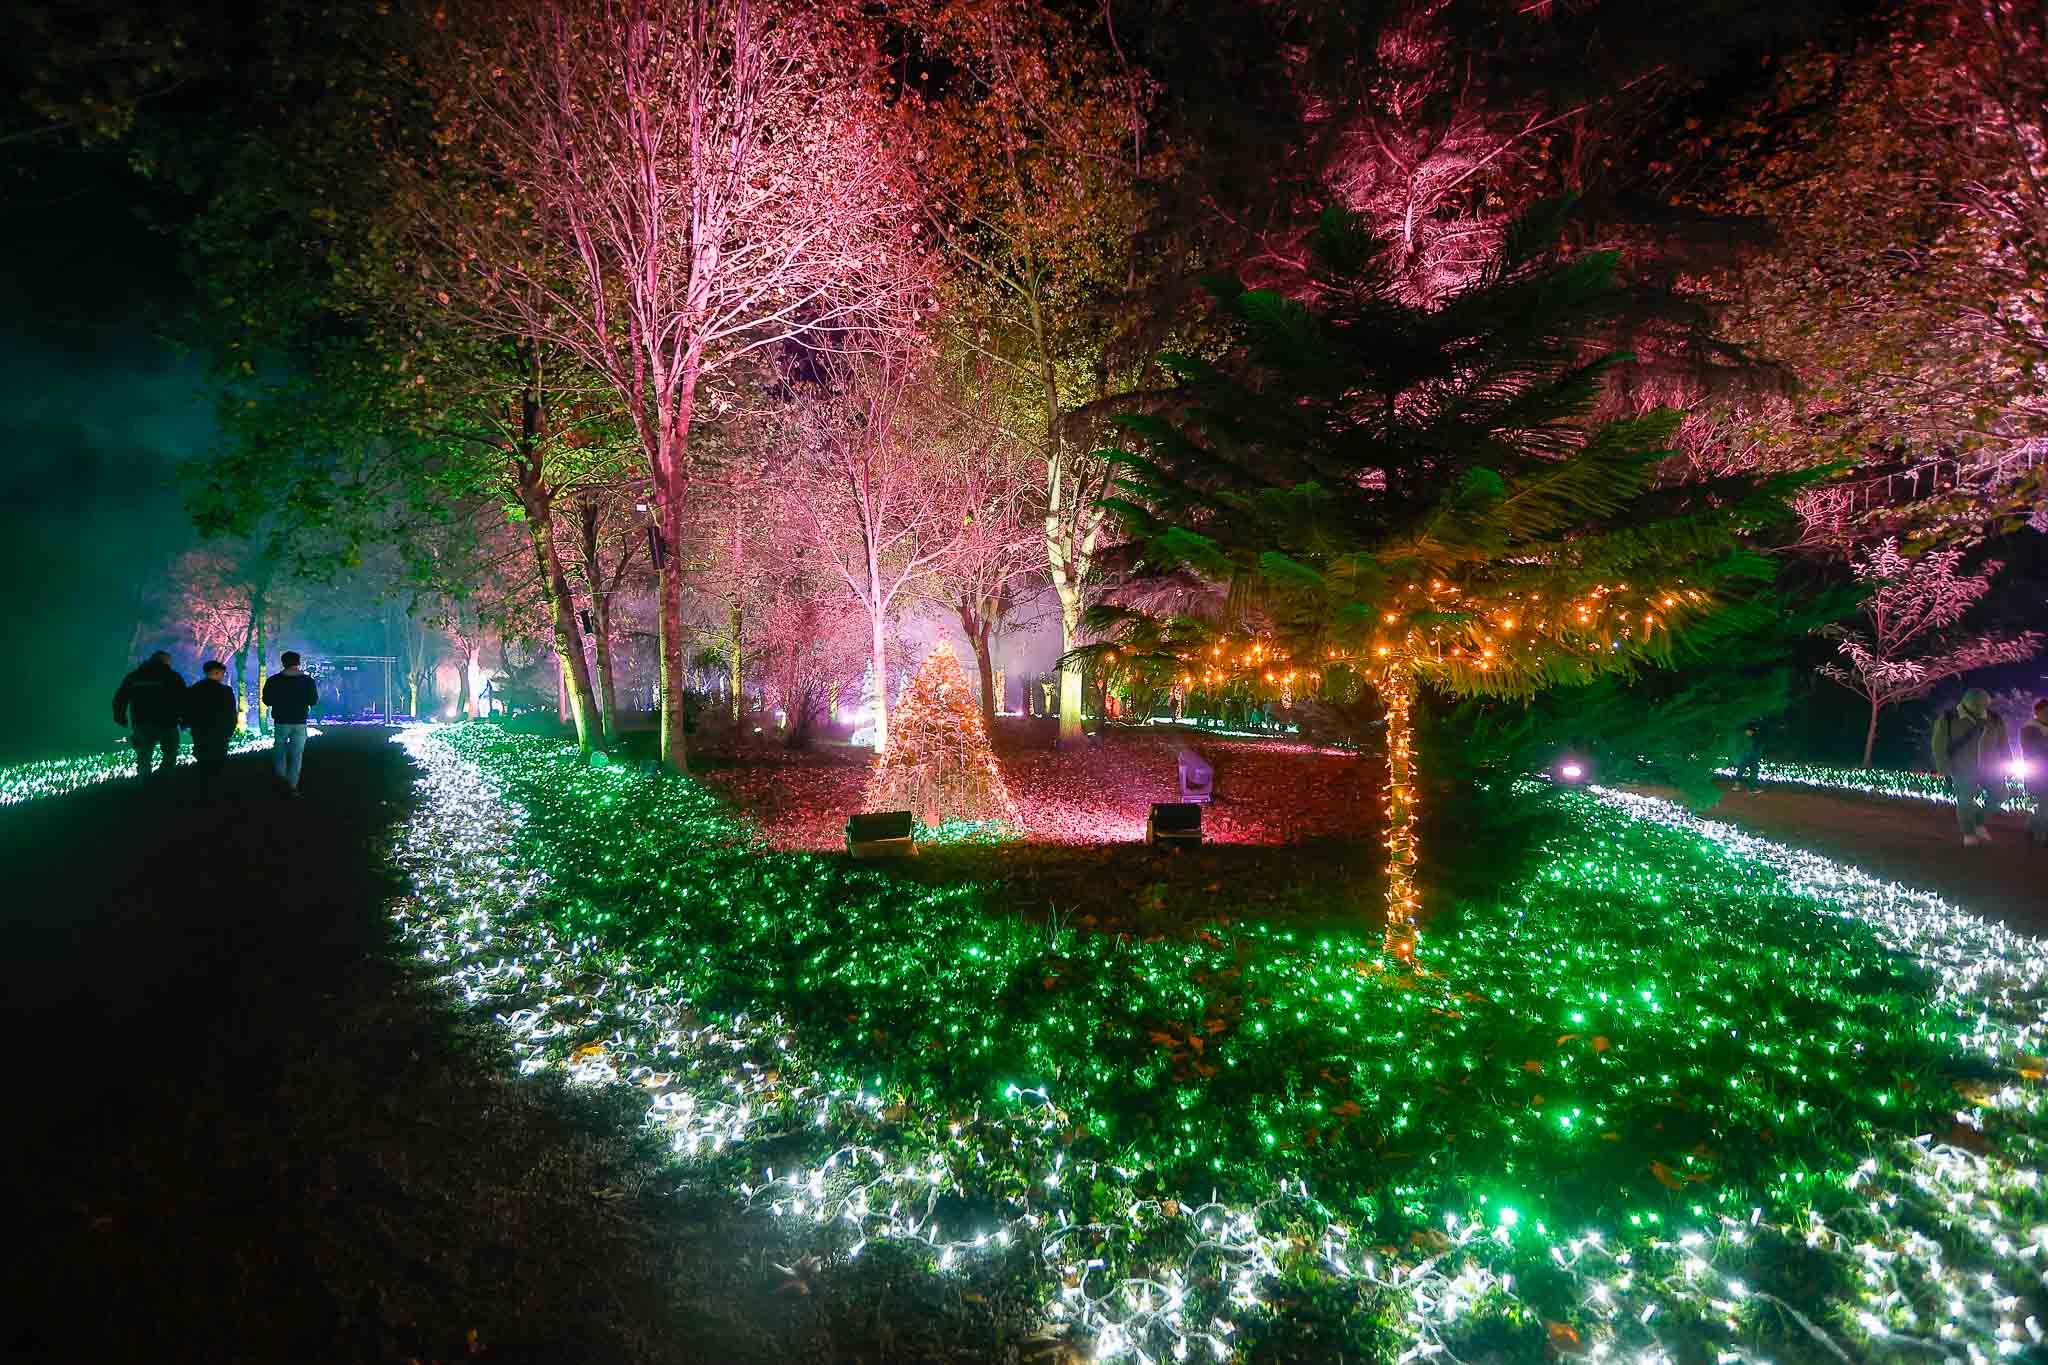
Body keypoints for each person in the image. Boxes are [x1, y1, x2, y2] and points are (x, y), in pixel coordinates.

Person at [1932, 687, 2010, 847]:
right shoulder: (1948, 718)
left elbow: (2003, 744)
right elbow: (1939, 746)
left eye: (1983, 705)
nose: (1980, 709)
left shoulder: (1994, 718)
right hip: (1962, 767)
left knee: (2001, 794)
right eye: (1976, 705)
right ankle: (1968, 833)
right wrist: (1944, 772)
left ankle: (1979, 822)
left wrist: (2007, 763)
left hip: (1990, 767)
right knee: (1965, 801)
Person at [112, 649, 187, 780]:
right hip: (167, 722)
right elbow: (183, 699)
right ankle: (164, 780)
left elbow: (120, 698)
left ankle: (144, 783)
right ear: (167, 662)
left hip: (141, 722)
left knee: (144, 755)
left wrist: (120, 716)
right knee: (170, 752)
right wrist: (184, 719)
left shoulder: (134, 676)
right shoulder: (173, 677)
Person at [261, 651, 319, 797]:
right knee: (296, 755)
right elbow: (313, 700)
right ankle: (292, 786)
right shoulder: (307, 681)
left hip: (281, 720)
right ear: (298, 663)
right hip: (299, 720)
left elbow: (267, 700)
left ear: (283, 663)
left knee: (279, 752)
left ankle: (280, 784)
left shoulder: (274, 680)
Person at [185, 660, 239, 803]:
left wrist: (188, 724)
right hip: (220, 732)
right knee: (218, 762)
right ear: (217, 672)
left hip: (200, 731)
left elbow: (187, 710)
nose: (222, 676)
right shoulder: (225, 691)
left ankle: (202, 792)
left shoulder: (195, 689)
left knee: (202, 760)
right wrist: (230, 731)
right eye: (222, 673)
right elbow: (231, 714)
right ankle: (217, 792)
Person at [2020, 698, 2048, 847]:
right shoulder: (2030, 728)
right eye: (2046, 711)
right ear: (2038, 712)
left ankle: (2030, 829)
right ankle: (2040, 835)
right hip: (2039, 772)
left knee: (2043, 804)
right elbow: (2033, 750)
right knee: (2044, 803)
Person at [1734, 721, 1766, 792]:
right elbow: (1739, 747)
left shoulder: (1754, 738)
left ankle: (1752, 787)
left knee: (1754, 771)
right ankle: (1737, 785)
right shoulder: (1742, 737)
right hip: (1744, 756)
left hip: (1752, 757)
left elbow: (1758, 748)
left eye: (1752, 731)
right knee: (1741, 770)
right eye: (1749, 731)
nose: (1751, 732)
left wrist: (1756, 755)